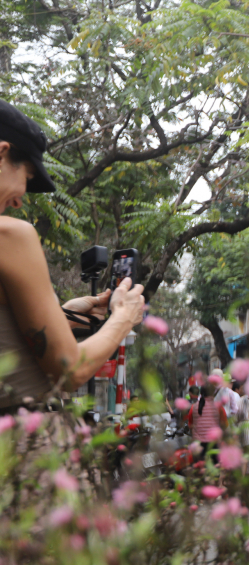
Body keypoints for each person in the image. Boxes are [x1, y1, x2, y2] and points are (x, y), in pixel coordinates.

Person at [0, 100, 146, 410]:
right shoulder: (12, 237)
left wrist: (62, 317)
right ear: (1, 154)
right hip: (26, 447)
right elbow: (70, 371)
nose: (19, 202)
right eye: (26, 178)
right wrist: (123, 318)